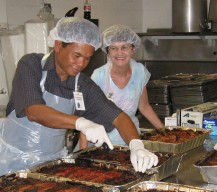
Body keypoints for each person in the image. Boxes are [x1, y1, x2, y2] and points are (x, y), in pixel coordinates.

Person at [0, 17, 158, 175]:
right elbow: (34, 111)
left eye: (88, 58)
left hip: (50, 166)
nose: (81, 64)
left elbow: (118, 116)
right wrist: (81, 123)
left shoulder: (82, 84)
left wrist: (136, 145)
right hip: (11, 163)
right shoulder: (31, 64)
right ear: (58, 45)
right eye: (76, 55)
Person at [78, 24, 164, 149]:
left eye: (125, 47)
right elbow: (87, 116)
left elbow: (144, 106)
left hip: (131, 140)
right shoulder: (99, 76)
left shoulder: (140, 71)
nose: (119, 53)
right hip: (101, 143)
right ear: (107, 51)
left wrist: (164, 131)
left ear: (132, 49)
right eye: (114, 48)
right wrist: (83, 152)